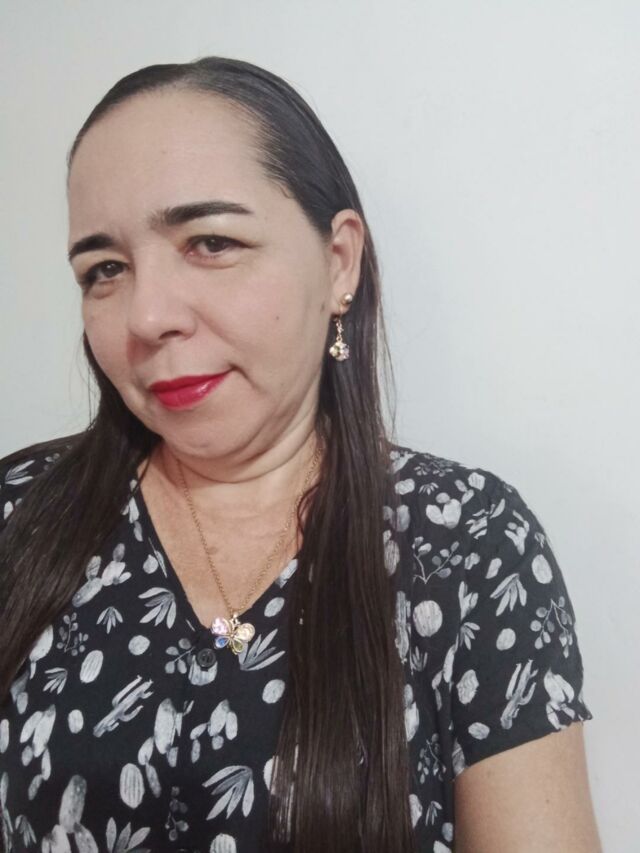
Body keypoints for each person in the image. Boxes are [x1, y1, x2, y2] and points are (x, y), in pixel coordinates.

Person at [0, 56, 601, 853]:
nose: (146, 315)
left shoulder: (470, 544)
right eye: (104, 269)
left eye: (211, 242)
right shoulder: (20, 515)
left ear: (339, 261)